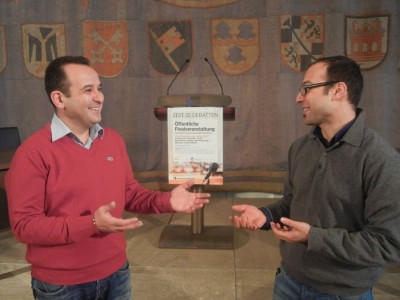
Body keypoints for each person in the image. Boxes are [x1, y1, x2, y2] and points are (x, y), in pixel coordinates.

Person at [5, 55, 210, 300]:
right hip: (61, 286)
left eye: (100, 89)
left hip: (117, 274)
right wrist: (91, 224)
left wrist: (167, 201)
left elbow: (130, 193)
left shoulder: (112, 140)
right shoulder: (32, 153)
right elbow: (25, 227)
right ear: (59, 99)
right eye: (88, 90)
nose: (99, 97)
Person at [231, 55, 400, 299]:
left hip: (341, 292)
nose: (298, 98)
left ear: (338, 90)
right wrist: (265, 216)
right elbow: (291, 203)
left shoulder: (380, 159)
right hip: (288, 281)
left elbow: (387, 245)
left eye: (307, 88)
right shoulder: (300, 148)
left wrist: (314, 237)